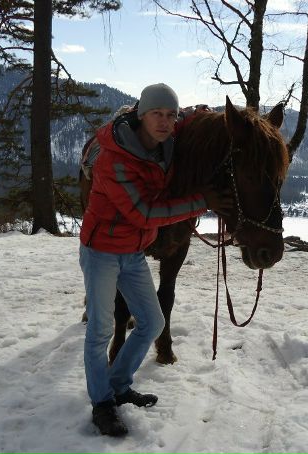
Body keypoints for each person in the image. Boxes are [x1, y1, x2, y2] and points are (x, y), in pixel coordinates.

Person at [79, 83, 232, 437]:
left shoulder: (164, 135)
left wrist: (206, 116)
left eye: (170, 115)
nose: (164, 122)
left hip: (132, 253)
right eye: (156, 114)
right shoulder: (114, 157)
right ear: (140, 114)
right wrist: (202, 201)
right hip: (102, 252)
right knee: (101, 330)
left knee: (152, 321)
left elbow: (190, 117)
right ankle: (102, 403)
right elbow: (143, 212)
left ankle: (118, 385)